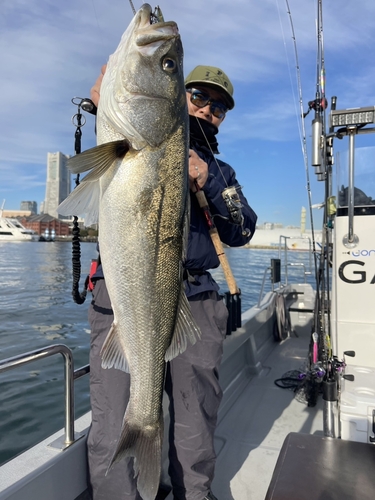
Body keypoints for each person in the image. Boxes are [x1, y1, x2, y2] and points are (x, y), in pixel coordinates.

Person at [87, 65, 258, 500]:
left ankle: (193, 495)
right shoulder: (133, 141)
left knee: (195, 414)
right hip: (124, 292)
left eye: (218, 107)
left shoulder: (222, 170)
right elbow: (105, 164)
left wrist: (210, 180)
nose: (207, 109)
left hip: (196, 298)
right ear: (178, 95)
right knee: (112, 413)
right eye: (198, 96)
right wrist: (103, 105)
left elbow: (243, 230)